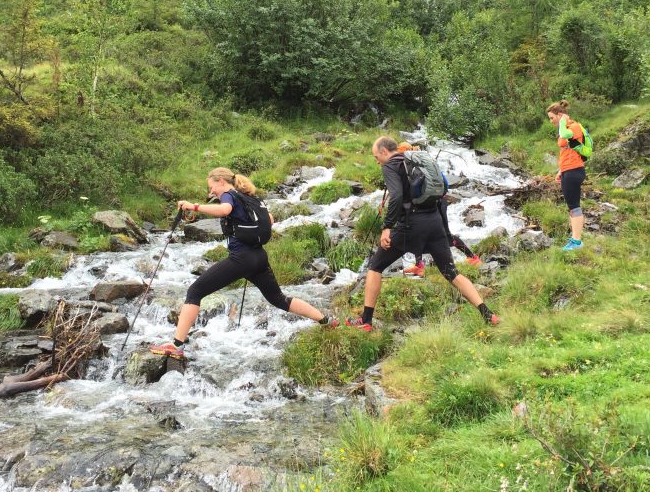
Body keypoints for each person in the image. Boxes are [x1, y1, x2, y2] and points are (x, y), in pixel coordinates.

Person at [149, 167, 336, 359]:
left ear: (221, 181)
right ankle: (326, 321)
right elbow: (269, 219)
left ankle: (176, 345)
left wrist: (193, 207)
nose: (211, 192)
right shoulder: (248, 197)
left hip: (241, 259)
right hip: (258, 257)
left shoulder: (229, 195)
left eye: (212, 187)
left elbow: (225, 210)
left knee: (194, 292)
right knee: (279, 299)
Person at [346, 137, 500, 331]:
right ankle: (488, 314)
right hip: (434, 221)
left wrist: (387, 227)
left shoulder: (391, 166)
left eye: (376, 156)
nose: (377, 161)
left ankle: (365, 321)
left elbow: (397, 197)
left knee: (375, 267)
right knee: (451, 272)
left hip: (410, 224)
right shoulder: (417, 160)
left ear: (384, 151)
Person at [396, 141, 481, 278]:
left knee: (445, 234)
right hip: (438, 201)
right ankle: (419, 266)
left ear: (403, 152)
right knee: (419, 233)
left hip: (431, 204)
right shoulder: (424, 161)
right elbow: (445, 183)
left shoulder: (412, 164)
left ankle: (473, 257)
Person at [546, 100, 586, 251]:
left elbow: (564, 134)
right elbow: (567, 152)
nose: (551, 121)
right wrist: (560, 170)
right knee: (572, 206)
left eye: (552, 118)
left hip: (574, 171)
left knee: (574, 206)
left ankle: (577, 242)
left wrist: (564, 121)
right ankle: (575, 239)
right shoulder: (568, 128)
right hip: (568, 170)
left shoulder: (573, 127)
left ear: (560, 115)